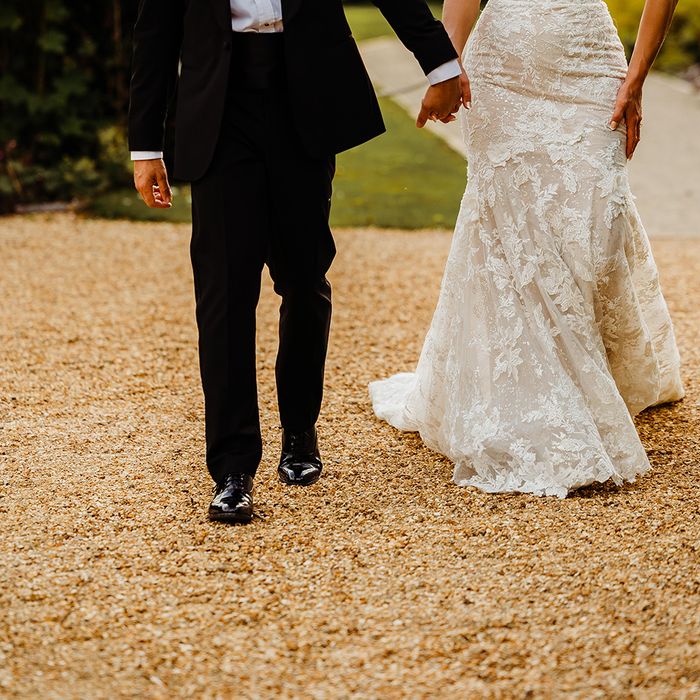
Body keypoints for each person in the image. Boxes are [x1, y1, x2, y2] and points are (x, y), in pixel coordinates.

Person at [129, 0, 463, 523]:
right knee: (223, 295)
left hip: (303, 98)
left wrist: (440, 64)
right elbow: (155, 31)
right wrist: (145, 147)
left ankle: (300, 429)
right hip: (219, 107)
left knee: (304, 279)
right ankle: (232, 470)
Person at [370, 0, 686, 497]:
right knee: (512, 234)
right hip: (502, 70)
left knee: (596, 230)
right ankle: (535, 399)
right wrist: (447, 66)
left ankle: (596, 373)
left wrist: (637, 77)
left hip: (590, 63)